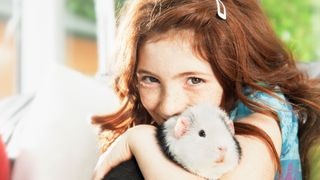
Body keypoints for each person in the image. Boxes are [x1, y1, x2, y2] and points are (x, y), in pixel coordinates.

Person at [92, 0, 320, 179]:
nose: (169, 106)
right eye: (150, 79)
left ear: (232, 71)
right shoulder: (160, 116)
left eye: (194, 80)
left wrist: (140, 140)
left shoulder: (262, 108)